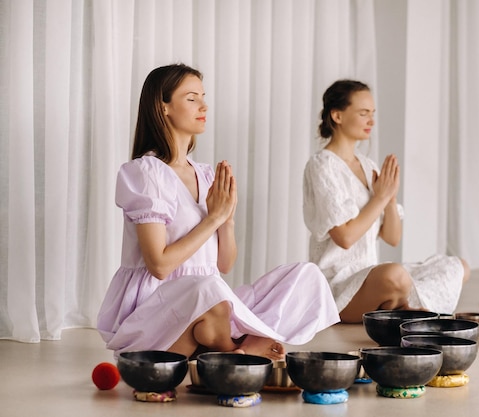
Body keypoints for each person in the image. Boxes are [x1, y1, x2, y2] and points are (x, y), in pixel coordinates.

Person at [97, 64, 339, 360]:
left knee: (306, 275)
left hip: (212, 304)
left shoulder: (206, 174)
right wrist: (212, 218)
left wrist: (226, 218)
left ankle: (232, 343)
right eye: (191, 98)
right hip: (156, 313)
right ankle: (238, 352)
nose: (204, 105)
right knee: (209, 290)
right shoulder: (146, 173)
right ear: (163, 108)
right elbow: (159, 265)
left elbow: (224, 263)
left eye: (203, 96)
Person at [303, 79, 470, 323]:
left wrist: (390, 198)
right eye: (363, 113)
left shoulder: (367, 165)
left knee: (458, 267)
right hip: (339, 286)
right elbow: (345, 238)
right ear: (337, 115)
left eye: (372, 113)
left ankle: (397, 308)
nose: (371, 121)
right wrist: (379, 197)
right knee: (395, 275)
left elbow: (392, 237)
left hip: (372, 277)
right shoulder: (321, 166)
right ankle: (403, 309)